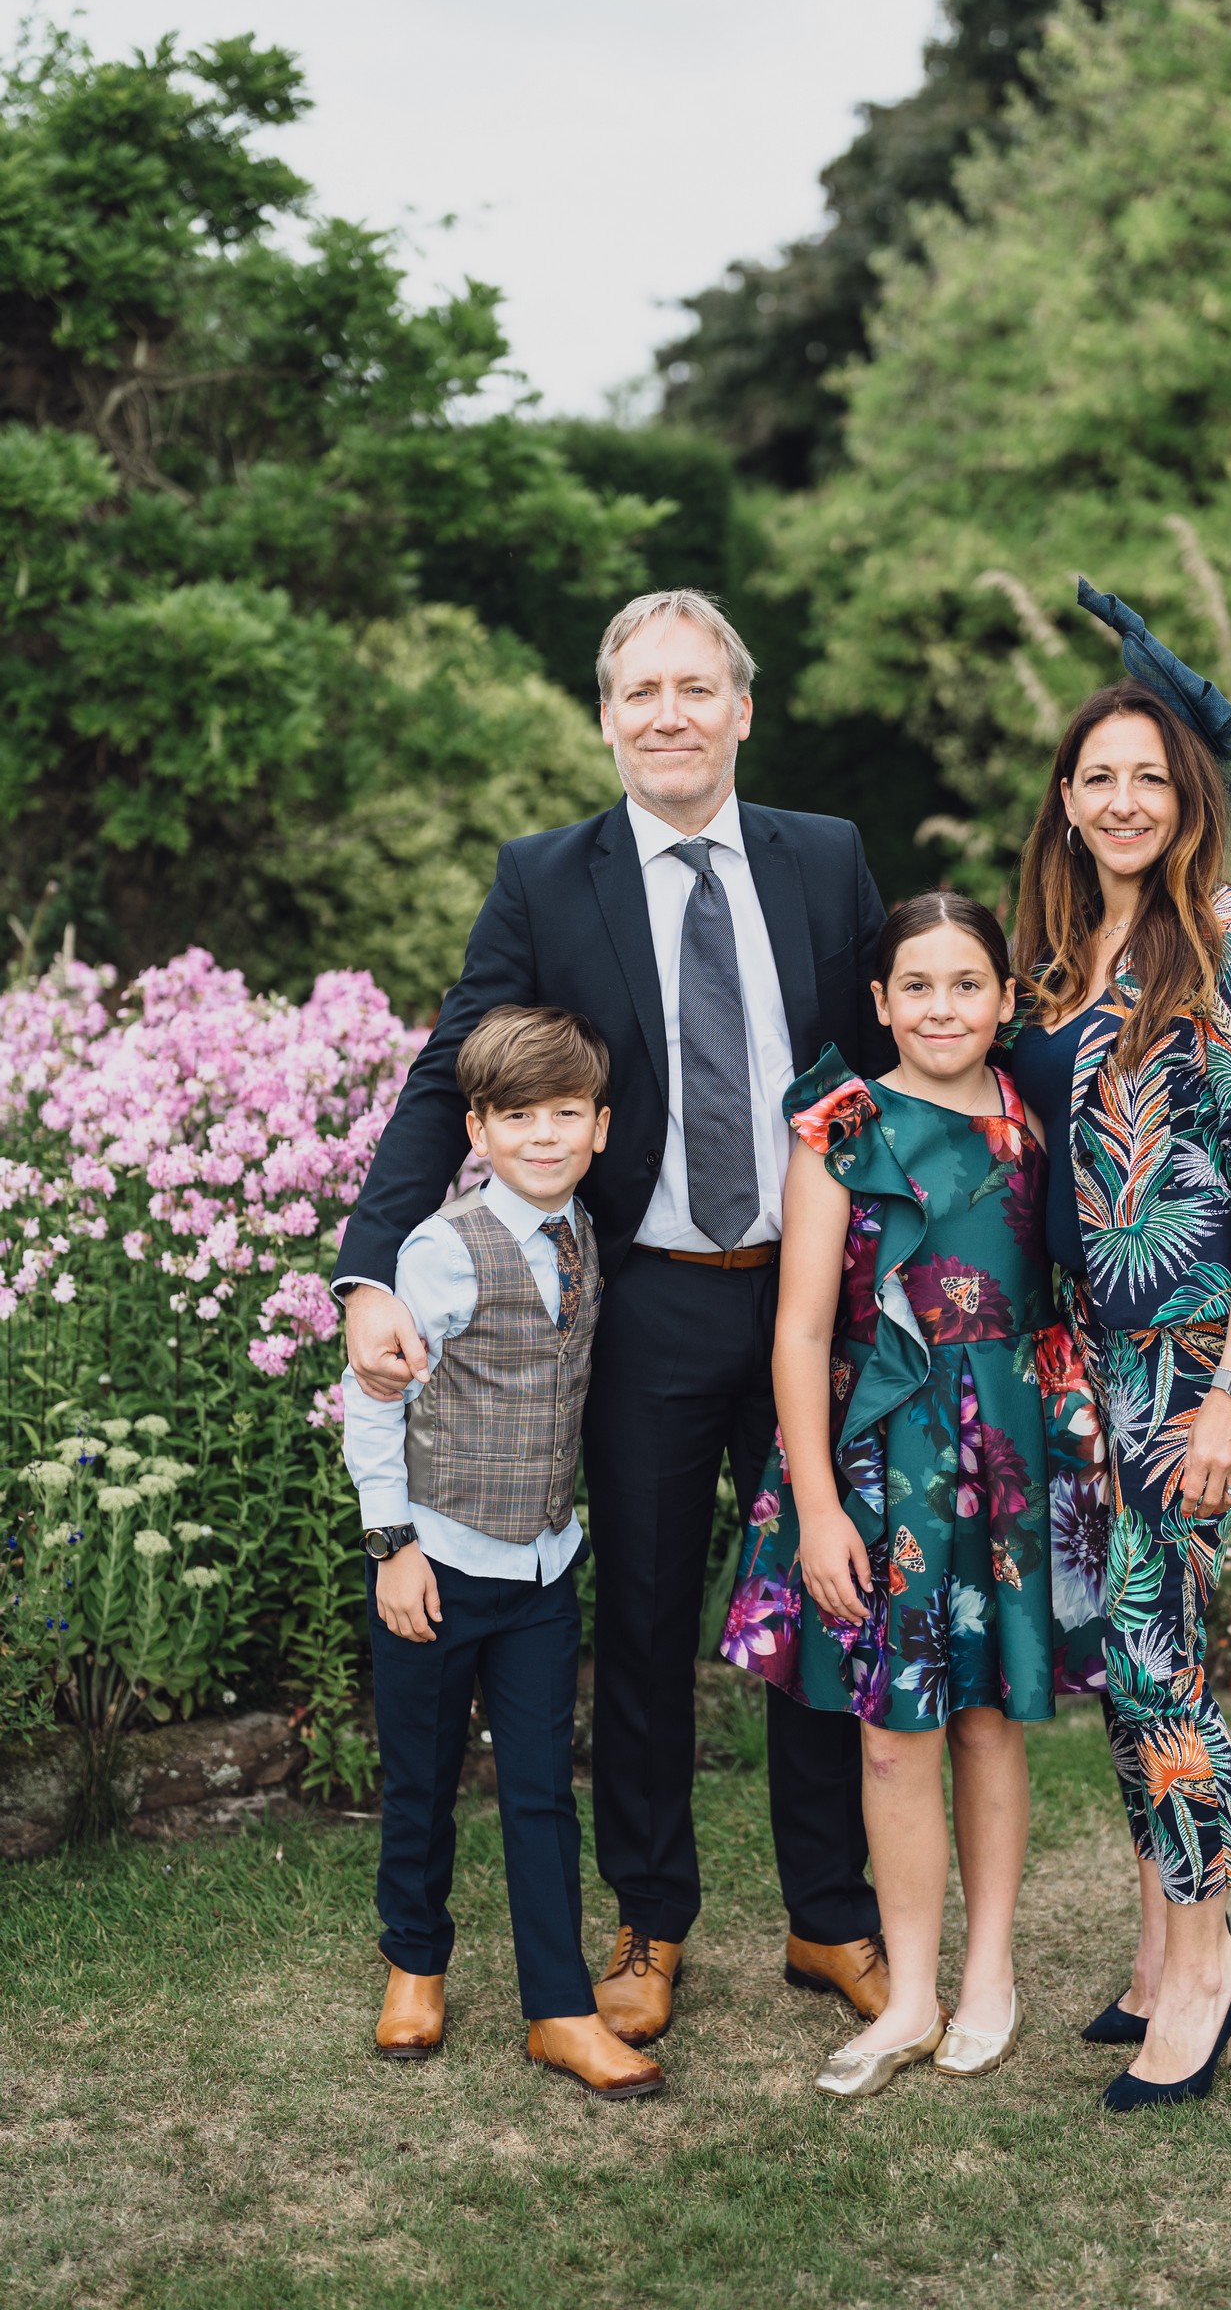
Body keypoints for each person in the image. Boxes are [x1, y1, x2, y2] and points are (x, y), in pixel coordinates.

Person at [335, 589, 892, 2050]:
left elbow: (909, 1047)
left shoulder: (825, 861)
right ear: (605, 715)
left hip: (811, 1296)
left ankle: (831, 1918)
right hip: (641, 1307)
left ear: (742, 710)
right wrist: (369, 1272)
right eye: (640, 691)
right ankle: (653, 1921)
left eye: (696, 689)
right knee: (641, 1624)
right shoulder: (545, 879)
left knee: (825, 1606)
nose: (669, 714)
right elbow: (447, 1072)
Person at [1009, 578, 1231, 2112]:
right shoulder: (1056, 960)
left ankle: (1207, 1968)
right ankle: (1155, 1948)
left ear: (1186, 795)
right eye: (1099, 778)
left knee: (1155, 1657)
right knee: (1118, 1662)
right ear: (1066, 804)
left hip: (1193, 1353)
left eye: (1152, 776)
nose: (1125, 800)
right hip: (1082, 1362)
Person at [720, 894, 1107, 2099]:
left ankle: (988, 1973)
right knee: (893, 1736)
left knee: (989, 1717)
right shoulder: (842, 1123)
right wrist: (822, 1507)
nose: (944, 1007)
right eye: (918, 987)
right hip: (882, 1458)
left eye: (967, 985)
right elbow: (795, 1334)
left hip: (1009, 1452)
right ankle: (911, 1994)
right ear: (881, 1002)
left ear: (1003, 1001)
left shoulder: (1032, 1115)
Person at [344, 1004, 664, 2098]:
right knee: (421, 1778)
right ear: (474, 1130)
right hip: (435, 1564)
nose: (542, 1136)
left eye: (564, 1114)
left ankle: (559, 2009)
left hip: (540, 1569)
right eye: (517, 1116)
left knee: (540, 1790)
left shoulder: (582, 1230)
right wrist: (391, 1547)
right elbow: (375, 1400)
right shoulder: (440, 1250)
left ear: (600, 1126)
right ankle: (412, 1965)